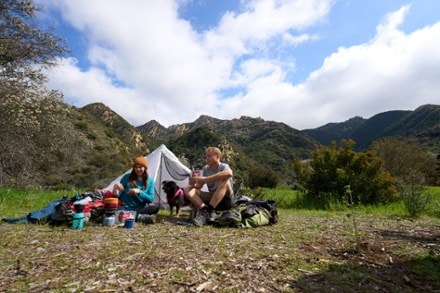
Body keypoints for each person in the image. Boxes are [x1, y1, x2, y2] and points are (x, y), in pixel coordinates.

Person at [184, 147, 234, 226]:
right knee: (188, 189)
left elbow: (229, 173)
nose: (207, 158)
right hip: (212, 197)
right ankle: (205, 211)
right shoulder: (206, 169)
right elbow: (199, 186)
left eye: (209, 156)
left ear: (217, 157)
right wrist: (194, 183)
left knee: (224, 181)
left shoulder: (223, 166)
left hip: (225, 199)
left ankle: (209, 211)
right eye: (206, 156)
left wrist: (206, 179)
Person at [112, 156, 158, 224]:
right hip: (125, 207)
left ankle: (130, 216)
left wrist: (139, 192)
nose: (138, 169)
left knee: (155, 208)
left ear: (145, 168)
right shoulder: (127, 177)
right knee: (112, 209)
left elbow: (150, 199)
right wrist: (115, 187)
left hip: (139, 208)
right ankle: (140, 218)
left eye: (140, 167)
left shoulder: (150, 181)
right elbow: (117, 196)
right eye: (136, 167)